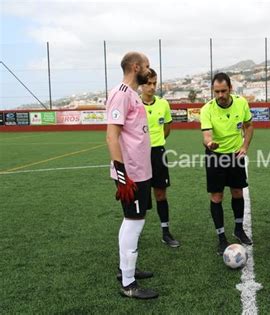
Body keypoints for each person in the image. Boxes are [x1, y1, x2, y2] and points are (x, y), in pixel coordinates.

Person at [106, 51, 158, 299]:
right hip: (132, 173)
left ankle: (125, 269)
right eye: (147, 66)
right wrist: (121, 174)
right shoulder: (121, 94)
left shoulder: (133, 95)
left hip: (141, 170)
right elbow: (111, 136)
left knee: (133, 219)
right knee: (134, 222)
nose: (150, 70)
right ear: (136, 67)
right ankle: (128, 283)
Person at [200, 72, 254, 255]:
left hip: (235, 155)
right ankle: (221, 237)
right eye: (217, 92)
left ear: (230, 88)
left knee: (237, 192)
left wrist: (245, 146)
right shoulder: (207, 109)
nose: (220, 95)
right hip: (215, 156)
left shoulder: (241, 103)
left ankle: (238, 229)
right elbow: (206, 136)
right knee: (216, 197)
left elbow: (249, 126)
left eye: (223, 91)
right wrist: (210, 143)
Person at [141, 68, 180, 247]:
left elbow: (167, 128)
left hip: (158, 152)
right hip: (139, 155)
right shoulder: (134, 104)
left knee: (160, 193)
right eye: (148, 83)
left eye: (154, 83)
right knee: (140, 196)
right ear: (141, 84)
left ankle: (165, 232)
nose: (152, 87)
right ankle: (135, 235)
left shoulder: (163, 104)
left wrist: (158, 141)